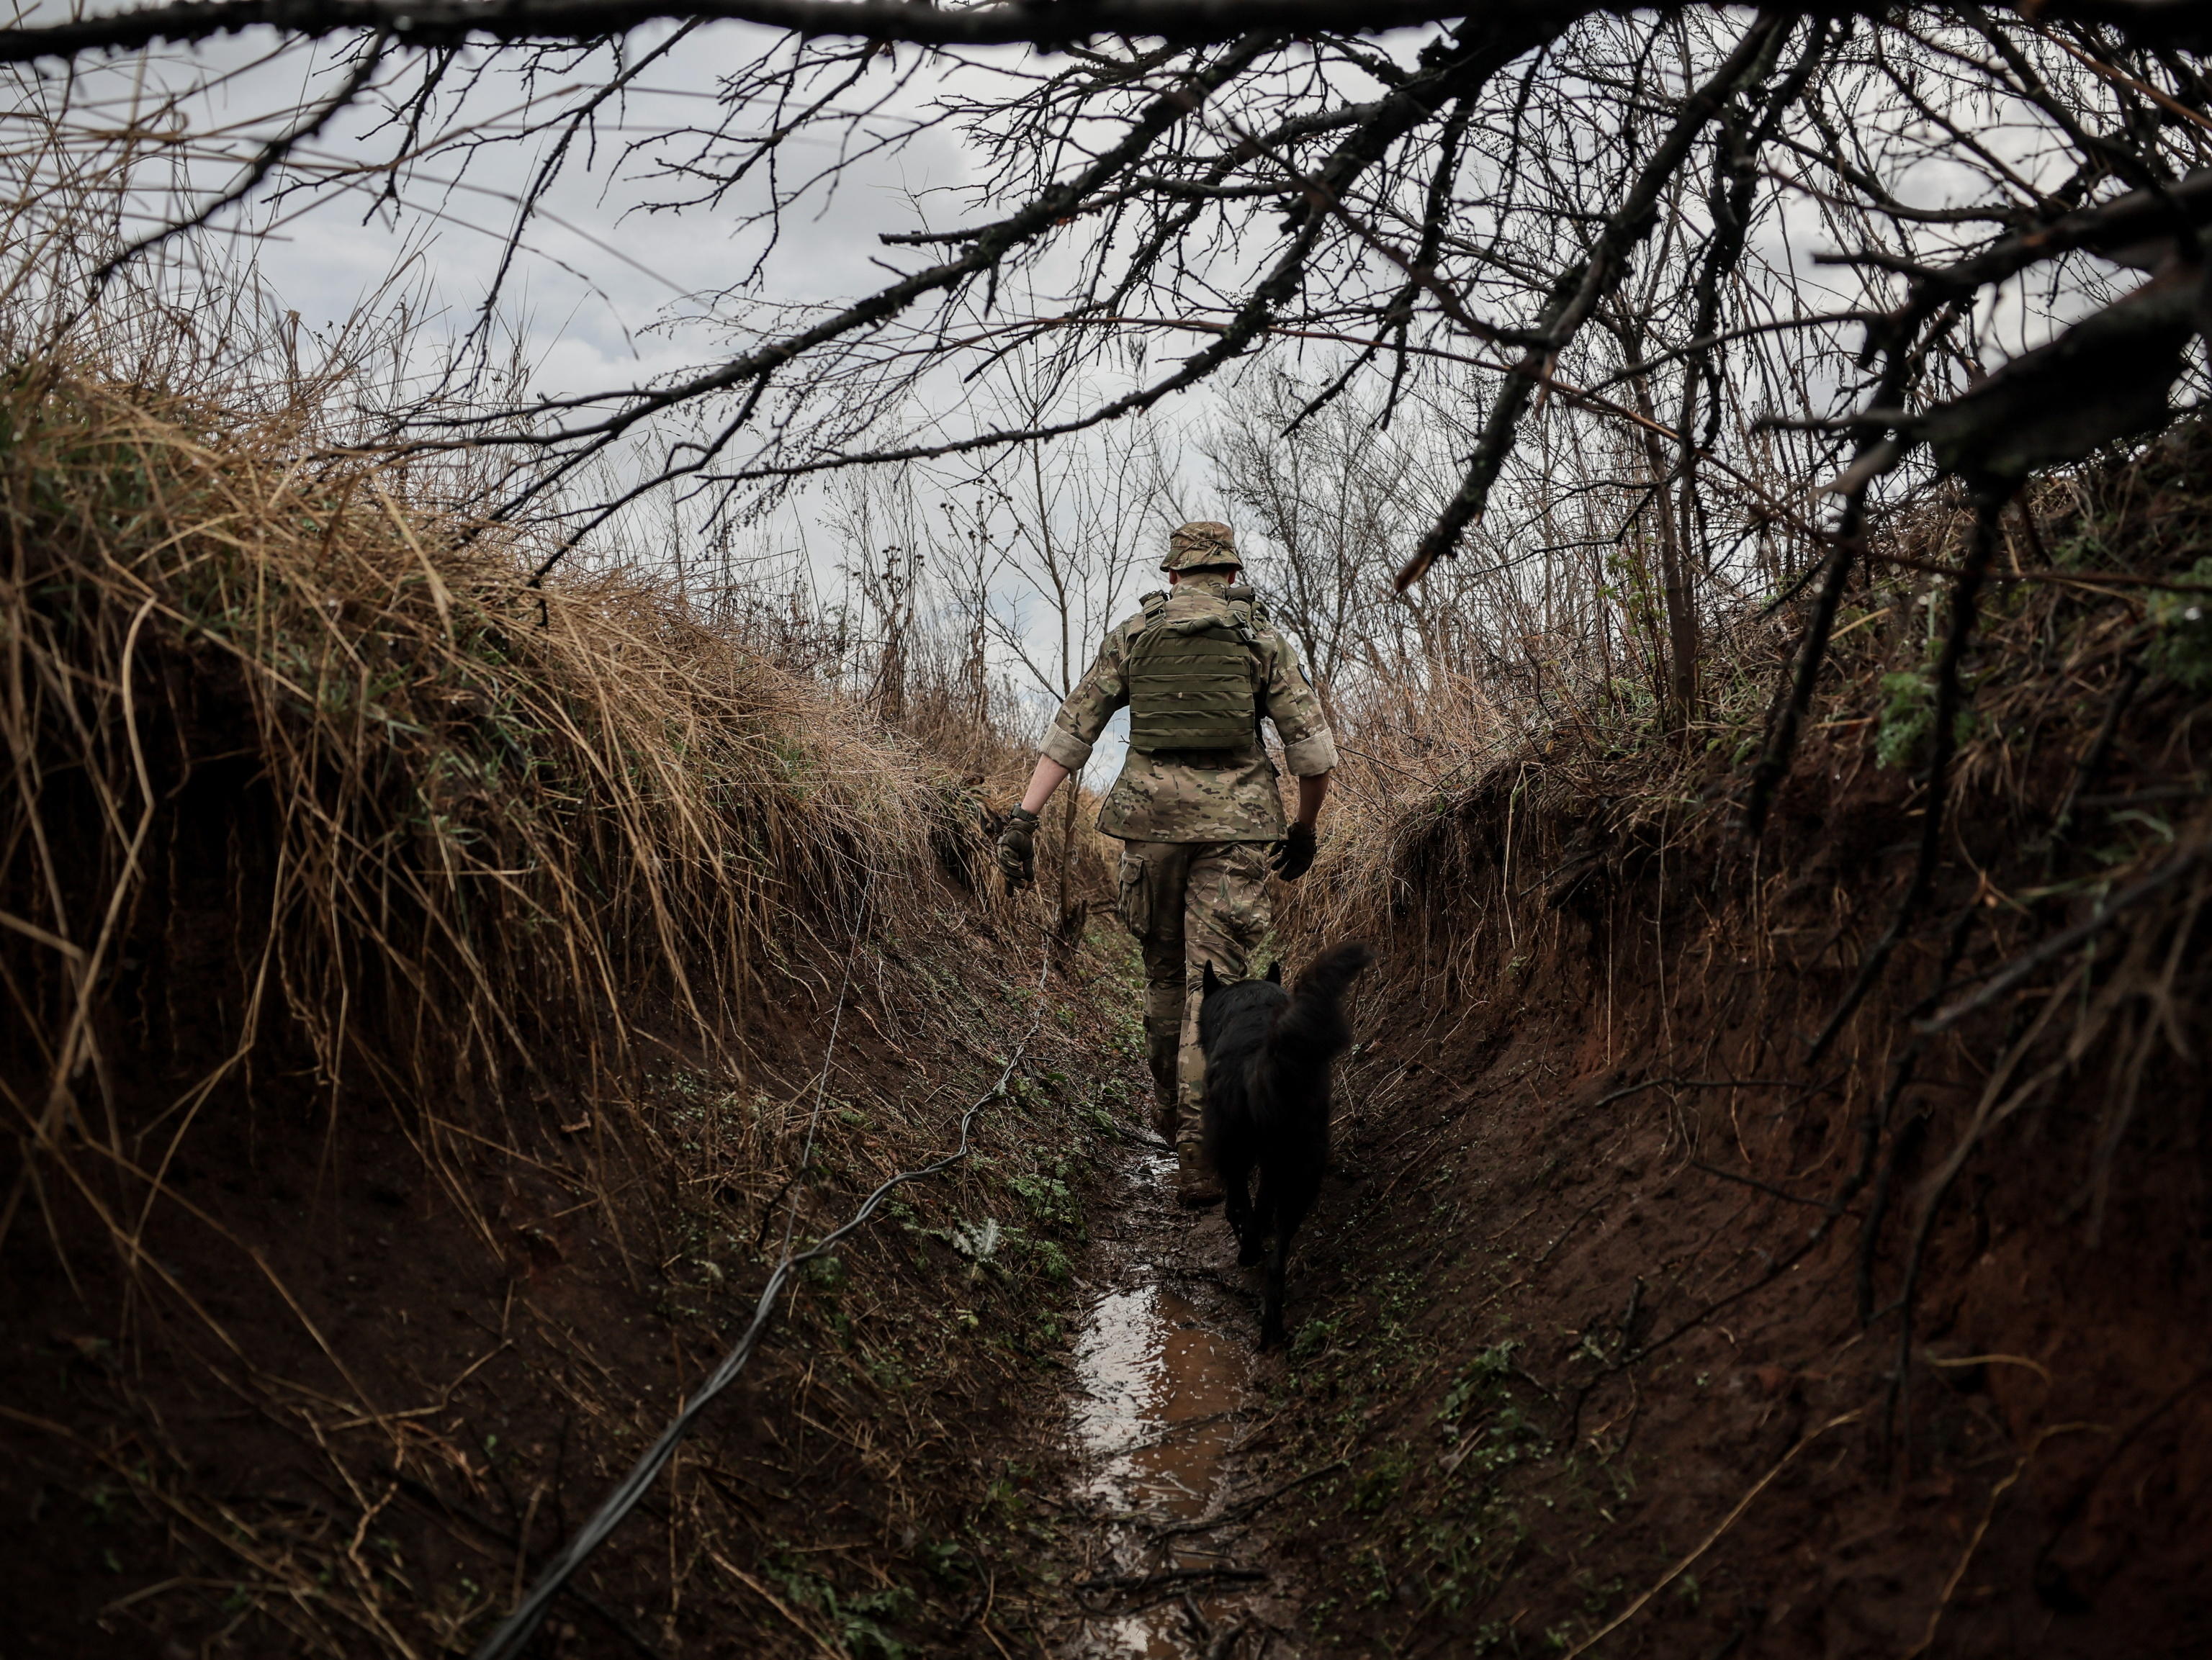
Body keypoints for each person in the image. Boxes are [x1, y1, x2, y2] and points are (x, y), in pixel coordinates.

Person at [995, 520, 1338, 1204]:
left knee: (1162, 981)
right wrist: (1303, 830)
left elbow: (1072, 732)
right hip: (1237, 830)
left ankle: (1168, 1116)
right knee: (1214, 989)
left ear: (1174, 575)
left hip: (1148, 829)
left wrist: (1024, 818)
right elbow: (1313, 752)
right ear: (1232, 576)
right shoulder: (1260, 640)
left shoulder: (1133, 634)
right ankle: (1202, 1150)